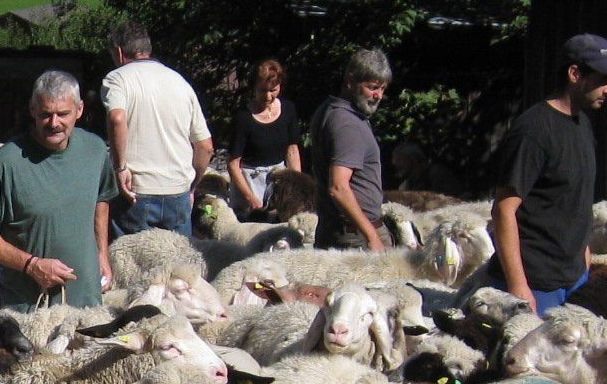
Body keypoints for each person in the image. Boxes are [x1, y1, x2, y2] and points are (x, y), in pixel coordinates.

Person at [487, 32, 607, 313]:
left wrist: (584, 258)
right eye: (604, 80)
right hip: (536, 284)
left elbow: (574, 200)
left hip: (574, 279)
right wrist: (518, 286)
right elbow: (504, 209)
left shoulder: (583, 126)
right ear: (575, 73)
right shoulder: (533, 130)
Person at [0, 70, 116, 307]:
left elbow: (101, 198)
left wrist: (102, 254)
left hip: (86, 303)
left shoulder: (95, 151)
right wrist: (31, 265)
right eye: (46, 114)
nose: (54, 123)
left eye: (63, 114)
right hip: (29, 310)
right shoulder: (4, 165)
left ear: (80, 109)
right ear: (32, 110)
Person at [101, 22, 212, 236]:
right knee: (179, 267)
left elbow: (116, 117)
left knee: (132, 267)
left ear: (120, 53)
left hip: (136, 193)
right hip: (177, 192)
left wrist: (120, 167)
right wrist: (192, 185)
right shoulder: (180, 82)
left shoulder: (117, 79)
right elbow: (205, 146)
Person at [304, 49, 393, 252]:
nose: (378, 95)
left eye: (382, 88)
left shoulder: (330, 110)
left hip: (339, 231)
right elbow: (338, 187)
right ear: (351, 81)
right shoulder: (347, 124)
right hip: (355, 237)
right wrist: (372, 236)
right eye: (372, 87)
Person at [228, 58, 305, 222]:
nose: (268, 96)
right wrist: (251, 199)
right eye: (263, 90)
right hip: (249, 183)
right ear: (254, 88)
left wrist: (296, 187)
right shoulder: (243, 117)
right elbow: (233, 165)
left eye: (273, 90)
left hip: (278, 182)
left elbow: (292, 151)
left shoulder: (288, 109)